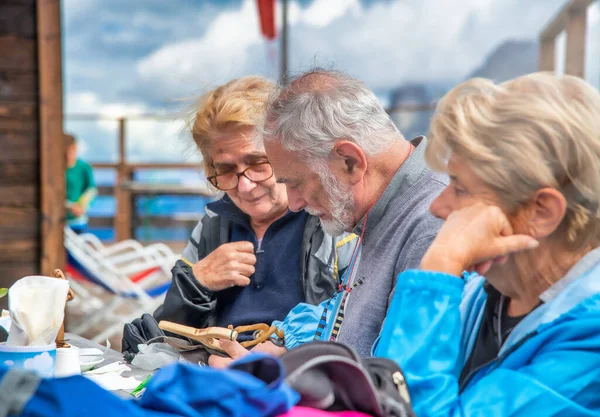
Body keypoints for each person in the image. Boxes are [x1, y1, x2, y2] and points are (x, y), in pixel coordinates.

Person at [374, 73, 600, 416]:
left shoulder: (588, 339)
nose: (437, 206)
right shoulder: (480, 291)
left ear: (541, 211)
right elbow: (382, 380)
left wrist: (440, 267)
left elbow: (394, 404)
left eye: (459, 188)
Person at [209, 69, 446, 366]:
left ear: (350, 161)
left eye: (295, 182)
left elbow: (403, 391)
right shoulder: (378, 207)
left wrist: (269, 381)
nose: (294, 204)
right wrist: (288, 358)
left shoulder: (433, 226)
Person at [123, 76, 356, 355]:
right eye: (226, 170)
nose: (244, 186)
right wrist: (197, 281)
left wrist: (281, 356)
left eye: (257, 163)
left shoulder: (332, 221)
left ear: (289, 154)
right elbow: (170, 332)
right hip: (212, 371)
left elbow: (359, 323)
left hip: (297, 374)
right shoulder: (213, 224)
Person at [65, 134, 97, 233]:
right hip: (57, 220)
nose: (69, 154)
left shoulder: (84, 167)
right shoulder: (54, 170)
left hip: (77, 221)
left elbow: (91, 190)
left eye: (72, 150)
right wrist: (68, 205)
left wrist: (82, 207)